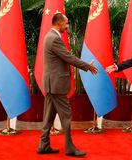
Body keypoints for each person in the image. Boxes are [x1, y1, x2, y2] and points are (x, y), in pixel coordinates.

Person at [37, 13, 98, 157]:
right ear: (59, 23)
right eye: (66, 23)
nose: (67, 26)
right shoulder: (54, 39)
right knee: (66, 116)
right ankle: (70, 148)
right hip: (57, 85)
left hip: (52, 84)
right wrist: (87, 66)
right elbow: (68, 57)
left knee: (48, 117)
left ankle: (43, 145)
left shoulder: (49, 36)